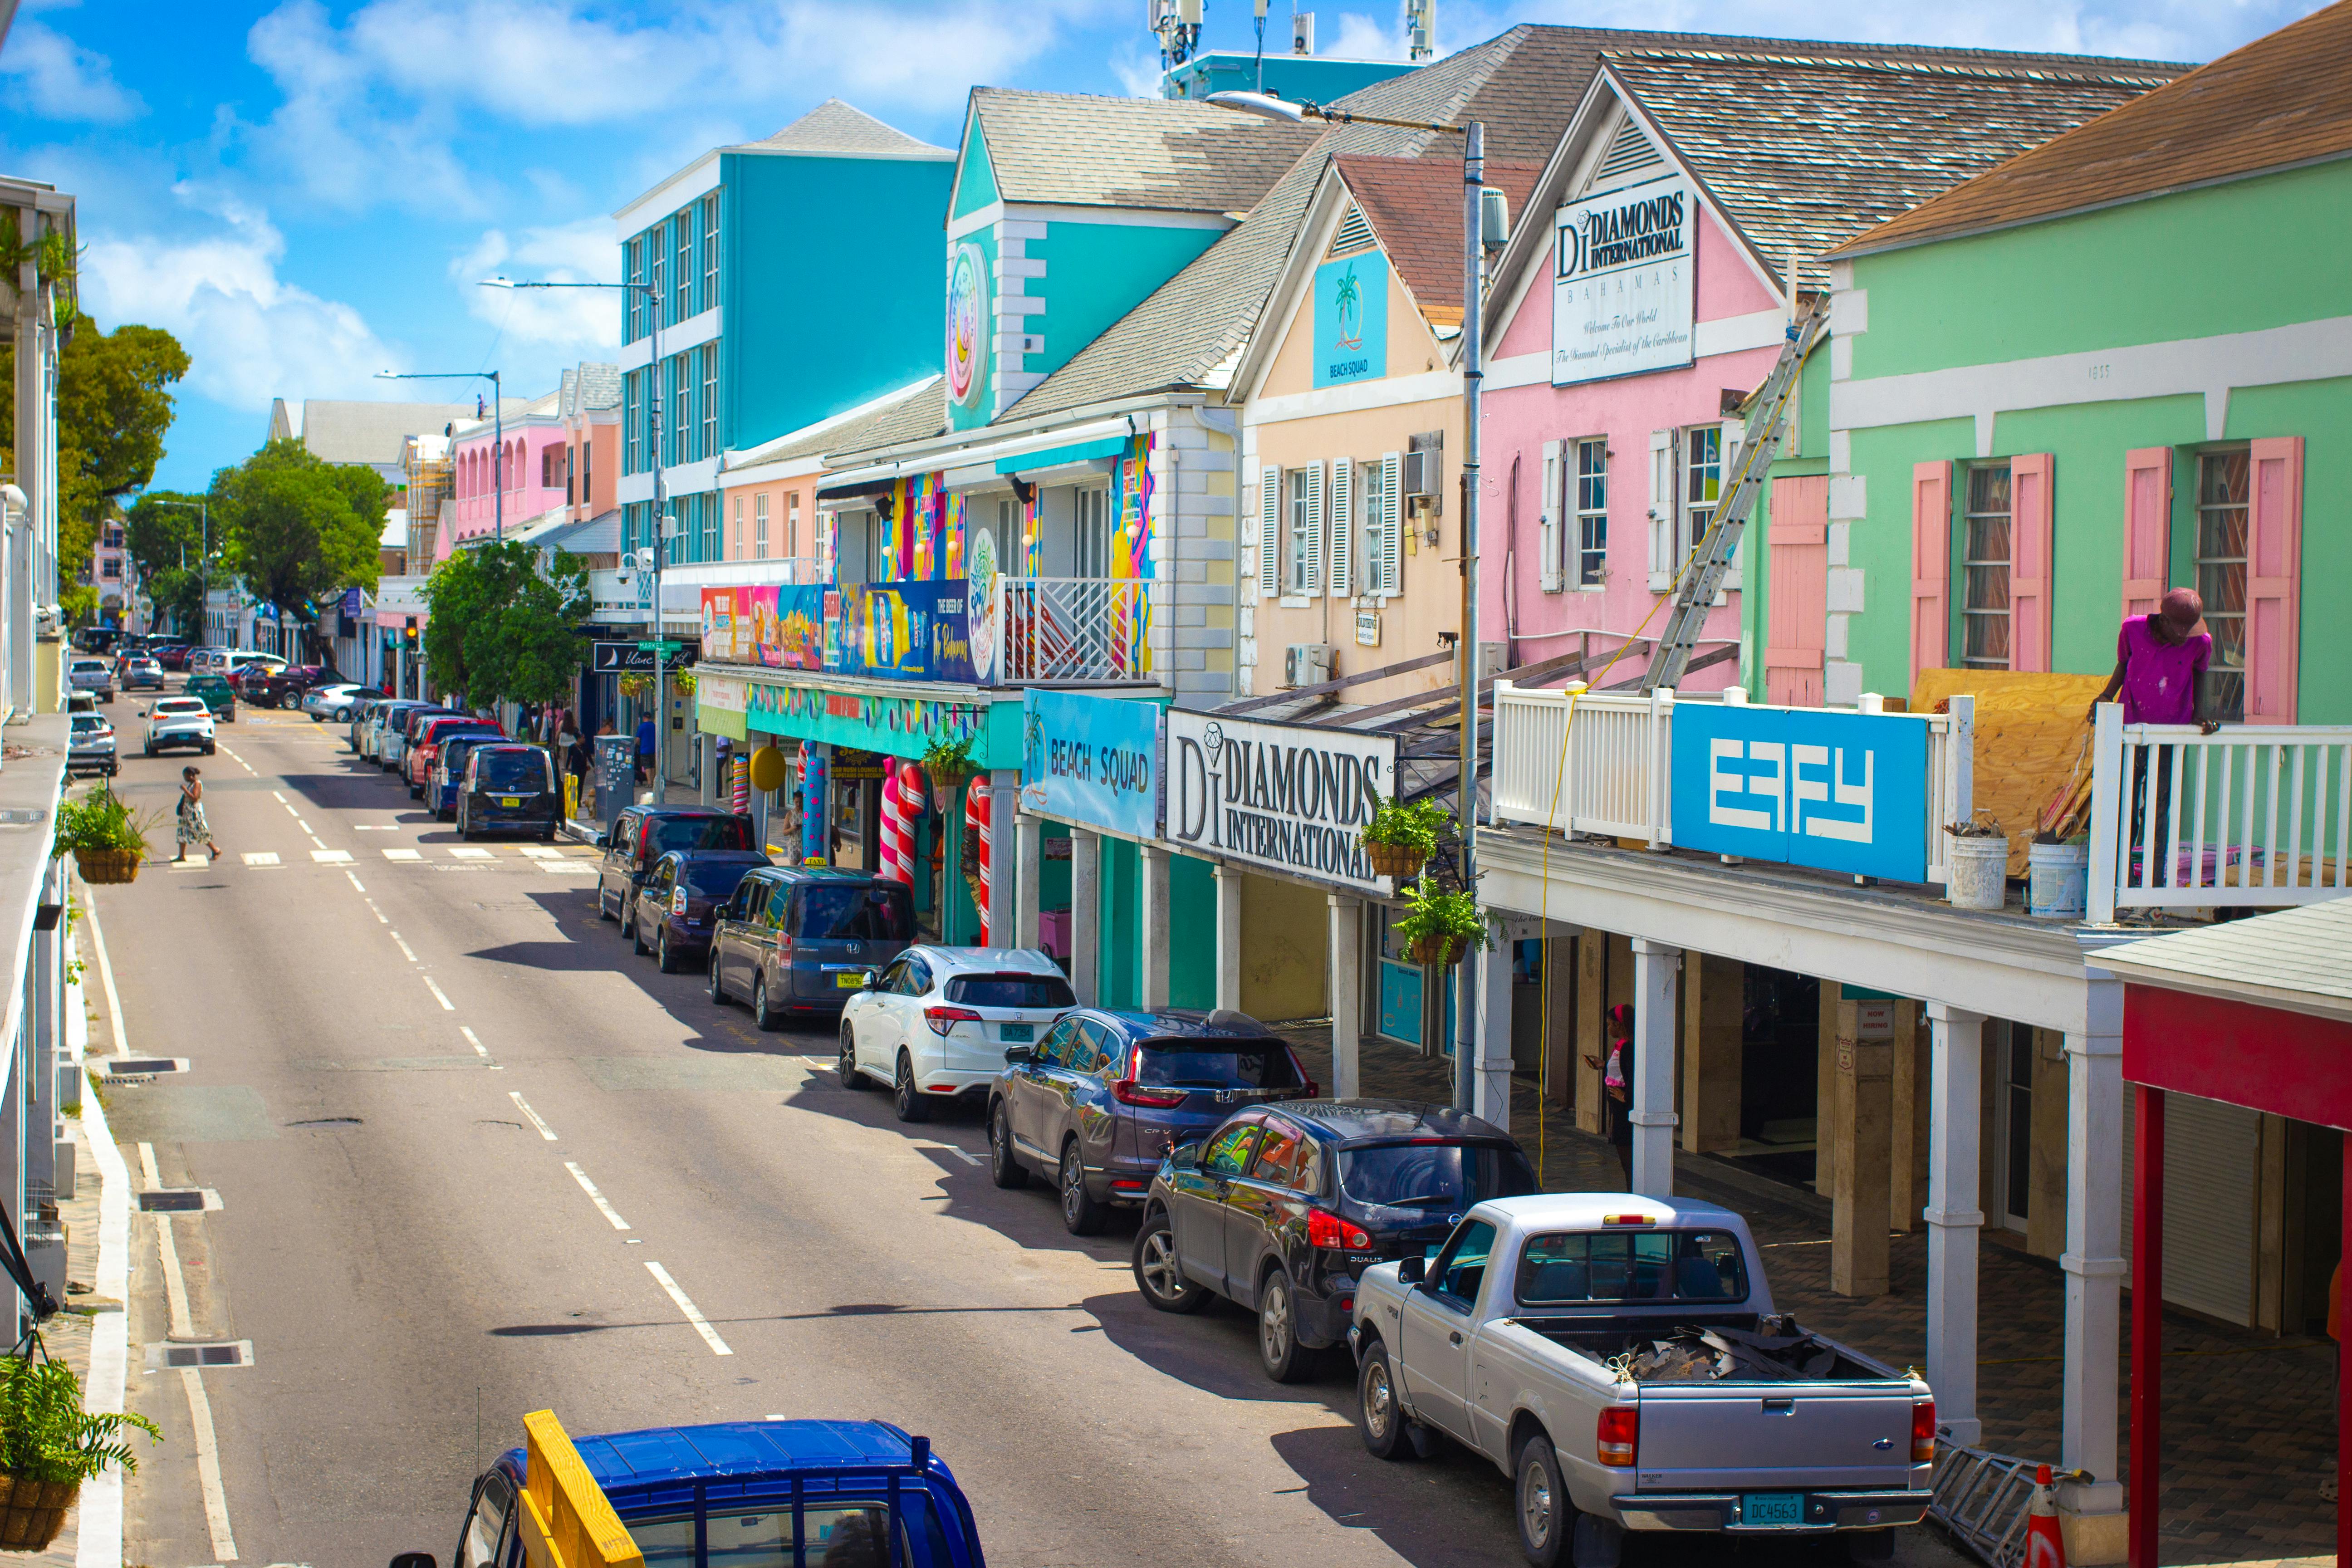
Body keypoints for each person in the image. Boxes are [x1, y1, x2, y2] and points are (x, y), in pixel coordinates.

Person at [2089, 588, 2220, 883]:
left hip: (2169, 731)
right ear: (2163, 620)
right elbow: (2124, 663)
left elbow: (2200, 673)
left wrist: (2200, 714)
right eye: (2180, 628)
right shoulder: (2133, 629)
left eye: (2191, 628)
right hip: (2130, 727)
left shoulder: (2200, 642)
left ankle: (2154, 882)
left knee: (2159, 810)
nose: (2185, 635)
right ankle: (2115, 880)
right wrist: (2106, 696)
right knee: (2125, 803)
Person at [1584, 1003, 1637, 1188]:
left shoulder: (1629, 1048)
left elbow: (1632, 1075)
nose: (1608, 1029)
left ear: (1619, 1025)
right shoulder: (1621, 1046)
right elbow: (1619, 1070)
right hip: (1617, 1108)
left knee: (1628, 1160)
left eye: (1610, 1024)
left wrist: (1627, 1097)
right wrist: (1603, 1065)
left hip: (1623, 1110)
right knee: (1625, 1159)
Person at [174, 766, 219, 863]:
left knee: (200, 832)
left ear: (191, 775)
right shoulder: (191, 784)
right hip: (187, 813)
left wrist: (185, 790)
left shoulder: (197, 784)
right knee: (182, 832)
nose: (185, 778)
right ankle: (181, 856)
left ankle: (215, 850)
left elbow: (195, 798)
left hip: (194, 814)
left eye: (186, 776)